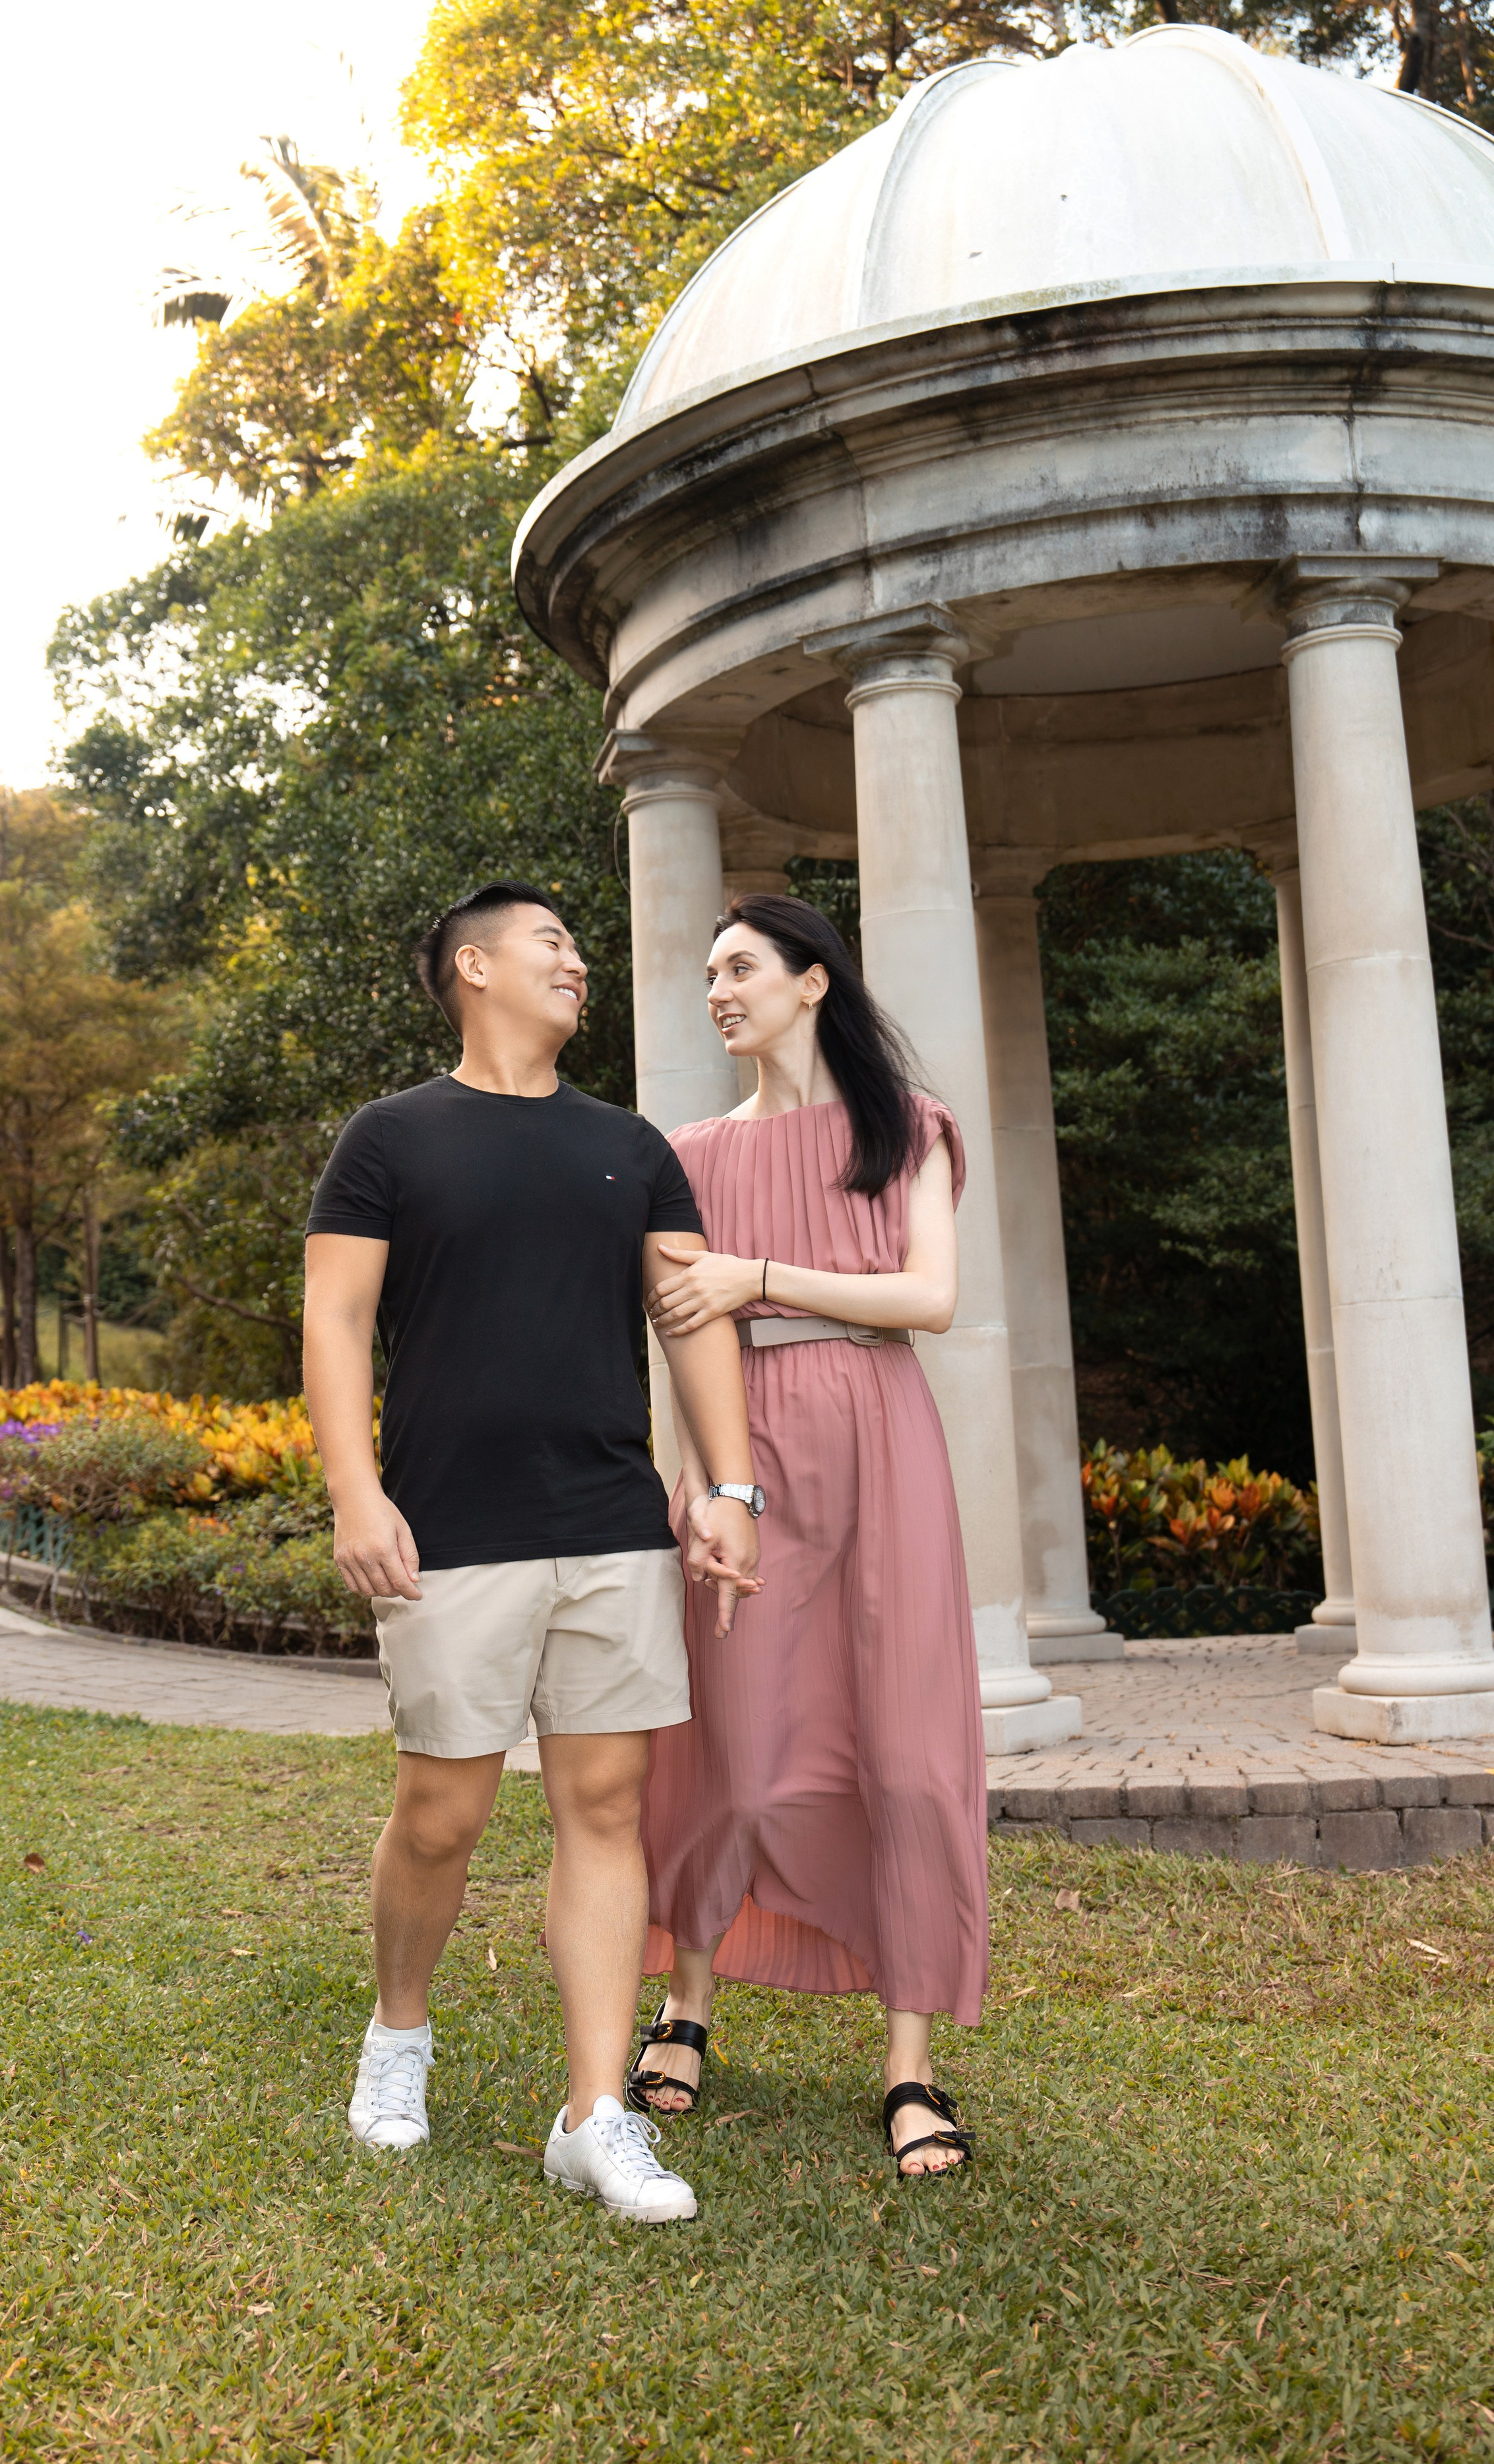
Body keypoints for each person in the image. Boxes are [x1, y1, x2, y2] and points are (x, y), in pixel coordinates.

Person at [303, 881, 763, 2225]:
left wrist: (727, 1484)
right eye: (548, 942)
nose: (575, 960)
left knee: (605, 1809)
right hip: (451, 1523)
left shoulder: (628, 1147)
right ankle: (397, 2038)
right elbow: (336, 1321)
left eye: (577, 945)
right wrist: (353, 1490)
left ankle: (593, 2113)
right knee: (441, 1812)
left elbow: (688, 1320)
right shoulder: (387, 1139)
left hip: (610, 1522)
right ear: (471, 966)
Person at [629, 893, 987, 2180]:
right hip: (747, 1462)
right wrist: (699, 1485)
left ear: (810, 980)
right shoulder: (688, 1153)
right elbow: (681, 1334)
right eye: (709, 973)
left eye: (738, 968)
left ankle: (909, 2065)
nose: (716, 990)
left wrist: (762, 1276)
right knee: (733, 1742)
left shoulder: (907, 1132)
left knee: (899, 1750)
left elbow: (927, 1298)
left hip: (881, 1454)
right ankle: (686, 2007)